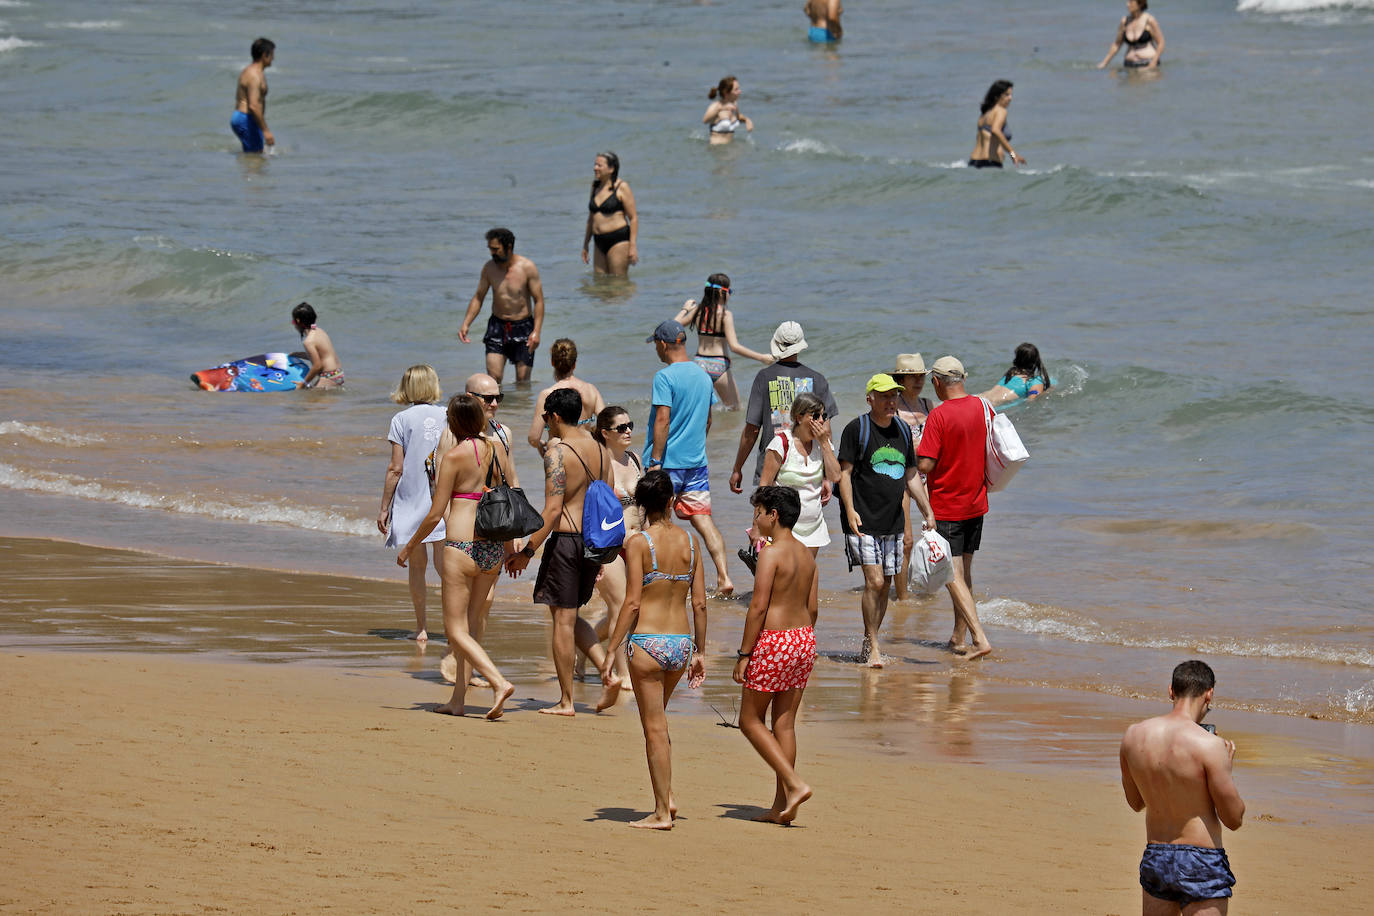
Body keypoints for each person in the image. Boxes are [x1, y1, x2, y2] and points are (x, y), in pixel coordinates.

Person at [397, 394, 517, 719]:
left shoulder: (452, 457)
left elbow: (436, 513)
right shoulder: (498, 449)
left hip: (462, 546)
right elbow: (509, 497)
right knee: (471, 629)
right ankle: (458, 700)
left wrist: (410, 546)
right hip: (492, 547)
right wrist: (511, 549)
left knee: (455, 631)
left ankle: (498, 681)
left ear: (452, 423)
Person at [505, 388, 621, 715]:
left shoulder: (557, 453)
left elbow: (553, 510)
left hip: (567, 542)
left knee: (563, 622)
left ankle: (567, 701)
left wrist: (527, 550)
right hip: (594, 543)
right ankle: (607, 672)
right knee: (569, 614)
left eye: (546, 418)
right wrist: (600, 553)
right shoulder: (601, 449)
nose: (545, 423)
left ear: (555, 416)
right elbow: (608, 496)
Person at [605, 470, 707, 829]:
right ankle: (669, 796)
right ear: (671, 502)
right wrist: (700, 651)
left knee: (653, 728)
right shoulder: (691, 542)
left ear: (642, 506)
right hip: (681, 644)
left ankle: (662, 811)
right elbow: (700, 604)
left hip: (648, 643)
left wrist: (611, 648)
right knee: (658, 723)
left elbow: (632, 602)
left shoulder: (638, 543)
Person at [1120, 661, 1245, 914]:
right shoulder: (1209, 745)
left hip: (1157, 854)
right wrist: (1226, 769)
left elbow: (1135, 803)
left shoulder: (1133, 736)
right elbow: (1234, 818)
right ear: (1209, 694)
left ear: (1171, 691)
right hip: (1201, 859)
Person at [836, 374, 939, 667]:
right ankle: (874, 646)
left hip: (893, 520)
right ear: (870, 399)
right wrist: (849, 509)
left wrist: (927, 509)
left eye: (894, 395)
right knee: (875, 581)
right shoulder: (857, 429)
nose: (891, 401)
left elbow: (911, 474)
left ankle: (869, 641)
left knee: (885, 586)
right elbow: (844, 474)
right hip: (862, 519)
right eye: (884, 396)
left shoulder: (903, 430)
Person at [732, 486, 817, 825]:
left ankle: (794, 785)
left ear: (774, 515)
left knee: (749, 720)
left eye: (759, 512)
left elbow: (758, 607)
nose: (756, 519)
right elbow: (812, 608)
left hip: (774, 641)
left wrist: (744, 654)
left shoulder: (771, 554)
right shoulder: (807, 554)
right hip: (803, 639)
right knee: (784, 723)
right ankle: (782, 806)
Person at [435, 372, 519, 688]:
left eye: (499, 397)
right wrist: (452, 533)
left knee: (484, 603)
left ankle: (467, 667)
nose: (495, 403)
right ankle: (458, 659)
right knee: (466, 604)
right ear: (471, 398)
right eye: (488, 398)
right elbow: (442, 490)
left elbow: (512, 486)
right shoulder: (451, 435)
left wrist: (513, 537)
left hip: (493, 530)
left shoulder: (503, 434)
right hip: (461, 533)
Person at [644, 319, 734, 596]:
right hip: (696, 463)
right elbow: (708, 420)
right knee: (704, 520)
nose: (656, 350)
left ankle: (657, 578)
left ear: (663, 344)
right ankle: (724, 577)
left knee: (655, 521)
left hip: (667, 464)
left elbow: (662, 419)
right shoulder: (703, 376)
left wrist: (655, 462)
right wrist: (694, 447)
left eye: (656, 345)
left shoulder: (664, 377)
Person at [916, 357, 994, 660]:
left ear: (936, 382)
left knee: (951, 575)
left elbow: (926, 464)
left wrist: (912, 449)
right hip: (976, 502)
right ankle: (958, 636)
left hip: (948, 505)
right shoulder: (983, 407)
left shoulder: (939, 415)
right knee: (964, 574)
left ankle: (979, 638)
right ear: (963, 379)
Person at [577, 405, 646, 688]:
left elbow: (644, 505)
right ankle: (622, 673)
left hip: (638, 543)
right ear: (605, 433)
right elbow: (588, 506)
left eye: (630, 425)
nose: (628, 431)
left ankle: (587, 647)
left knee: (634, 608)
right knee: (619, 605)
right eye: (621, 427)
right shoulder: (599, 462)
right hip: (609, 545)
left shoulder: (635, 459)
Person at [377, 365, 447, 642]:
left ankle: (421, 629)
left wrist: (384, 507)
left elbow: (396, 468)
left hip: (412, 499)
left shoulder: (401, 419)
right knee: (446, 569)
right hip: (443, 498)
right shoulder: (448, 415)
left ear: (407, 387)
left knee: (418, 567)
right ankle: (455, 627)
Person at [729, 321, 839, 492]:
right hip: (808, 469)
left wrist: (737, 468)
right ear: (800, 346)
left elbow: (752, 430)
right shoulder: (817, 379)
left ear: (777, 344)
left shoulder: (764, 377)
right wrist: (825, 475)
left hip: (772, 468)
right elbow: (826, 431)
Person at [673, 273, 773, 411]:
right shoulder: (725, 315)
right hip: (718, 364)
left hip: (699, 364)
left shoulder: (698, 311)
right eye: (729, 291)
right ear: (722, 292)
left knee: (699, 410)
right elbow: (734, 347)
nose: (730, 295)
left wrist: (684, 309)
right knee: (734, 409)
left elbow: (672, 326)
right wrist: (761, 357)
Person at [458, 228, 544, 384]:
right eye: (490, 249)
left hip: (523, 327)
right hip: (497, 327)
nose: (492, 253)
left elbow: (538, 301)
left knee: (523, 380)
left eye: (496, 249)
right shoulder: (489, 268)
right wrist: (466, 323)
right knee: (493, 378)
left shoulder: (527, 267)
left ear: (509, 246)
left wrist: (536, 332)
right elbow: (478, 297)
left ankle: (518, 402)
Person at [759, 393, 840, 555]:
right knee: (785, 571)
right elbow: (764, 486)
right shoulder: (781, 443)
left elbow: (836, 476)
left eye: (823, 416)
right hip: (784, 527)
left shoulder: (822, 444)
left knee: (807, 571)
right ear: (799, 417)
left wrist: (825, 443)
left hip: (813, 527)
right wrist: (757, 527)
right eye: (815, 416)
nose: (821, 421)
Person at [891, 354, 936, 600]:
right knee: (906, 541)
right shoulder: (892, 407)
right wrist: (915, 447)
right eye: (913, 377)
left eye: (921, 376)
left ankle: (929, 590)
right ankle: (903, 599)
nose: (919, 381)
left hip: (927, 475)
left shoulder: (928, 404)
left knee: (935, 533)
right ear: (901, 379)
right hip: (901, 478)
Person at [527, 339, 605, 455]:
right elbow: (607, 422)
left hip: (561, 452)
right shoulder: (590, 389)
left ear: (552, 362)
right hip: (587, 450)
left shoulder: (547, 394)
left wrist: (540, 445)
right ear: (575, 364)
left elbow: (534, 438)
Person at [580, 151, 638, 275]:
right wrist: (585, 244)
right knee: (600, 282)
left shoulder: (622, 187)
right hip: (598, 241)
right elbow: (591, 219)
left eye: (599, 165)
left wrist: (633, 246)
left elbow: (633, 218)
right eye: (595, 164)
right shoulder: (595, 187)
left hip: (618, 240)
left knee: (618, 282)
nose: (595, 168)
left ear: (611, 169)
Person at [969, 80, 1026, 170]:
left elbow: (991, 138)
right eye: (1007, 95)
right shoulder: (1000, 111)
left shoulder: (984, 114)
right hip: (989, 163)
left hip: (973, 161)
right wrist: (1013, 154)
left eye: (1011, 95)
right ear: (996, 96)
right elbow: (996, 131)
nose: (1010, 98)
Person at [231, 38, 274, 153]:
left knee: (253, 155)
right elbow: (253, 105)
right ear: (264, 55)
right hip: (246, 118)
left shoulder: (252, 71)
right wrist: (266, 131)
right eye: (272, 54)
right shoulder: (254, 75)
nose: (273, 58)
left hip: (246, 117)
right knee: (255, 156)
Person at [980, 342, 1054, 409]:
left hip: (979, 399)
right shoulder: (1035, 381)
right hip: (988, 407)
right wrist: (1046, 392)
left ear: (1017, 359)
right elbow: (1031, 401)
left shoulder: (1010, 373)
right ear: (1036, 360)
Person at [1099, 0, 1165, 70]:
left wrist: (1153, 63)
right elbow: (1117, 44)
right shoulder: (1125, 21)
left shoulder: (1149, 20)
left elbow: (1161, 43)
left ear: (1140, 4)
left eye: (1131, 2)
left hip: (1147, 63)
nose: (1127, 4)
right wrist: (1104, 63)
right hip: (1129, 65)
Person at [290, 302, 344, 389]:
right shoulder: (320, 331)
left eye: (293, 321)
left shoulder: (308, 341)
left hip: (328, 376)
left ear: (298, 321)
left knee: (307, 396)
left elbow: (317, 366)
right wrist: (297, 354)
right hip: (337, 373)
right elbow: (320, 357)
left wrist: (303, 384)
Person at [702, 76, 754, 145]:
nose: (740, 91)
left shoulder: (734, 104)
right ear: (726, 93)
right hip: (716, 149)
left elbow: (738, 117)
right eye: (736, 89)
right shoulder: (716, 106)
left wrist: (747, 120)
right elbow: (705, 120)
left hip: (730, 148)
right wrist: (721, 108)